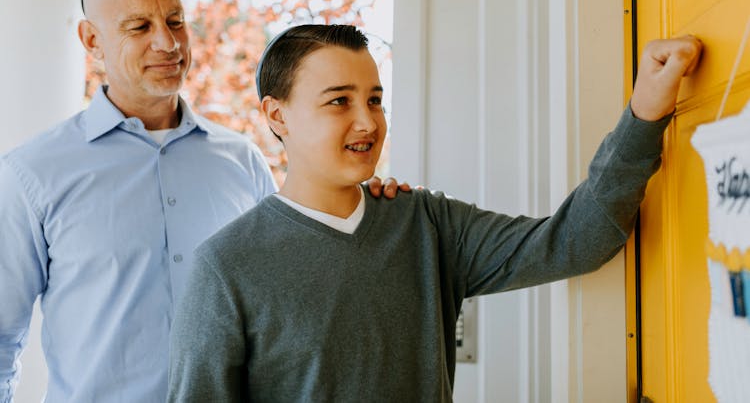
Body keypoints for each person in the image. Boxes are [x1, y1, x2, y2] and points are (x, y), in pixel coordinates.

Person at [167, 24, 702, 402]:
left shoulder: (426, 223)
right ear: (276, 115)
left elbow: (576, 242)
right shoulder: (226, 267)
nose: (367, 122)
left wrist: (645, 113)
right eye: (339, 101)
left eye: (374, 99)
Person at [0, 0, 406, 403]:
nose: (167, 43)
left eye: (176, 21)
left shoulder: (243, 162)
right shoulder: (33, 173)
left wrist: (371, 209)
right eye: (139, 27)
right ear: (91, 40)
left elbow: (290, 302)